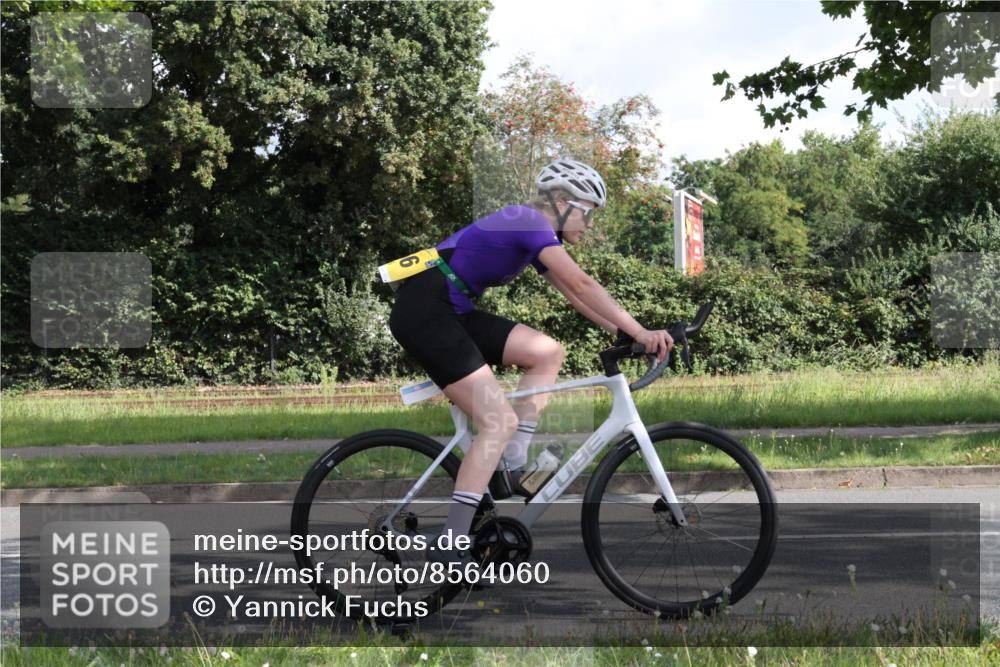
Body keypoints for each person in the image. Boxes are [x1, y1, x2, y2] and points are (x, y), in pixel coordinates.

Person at [387, 159, 673, 564]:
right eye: (587, 213)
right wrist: (642, 331)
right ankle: (452, 543)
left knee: (547, 352)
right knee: (496, 421)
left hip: (452, 309)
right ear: (560, 201)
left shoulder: (536, 231)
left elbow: (574, 295)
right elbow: (582, 283)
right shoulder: (527, 221)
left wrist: (623, 334)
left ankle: (514, 463)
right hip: (427, 311)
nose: (588, 225)